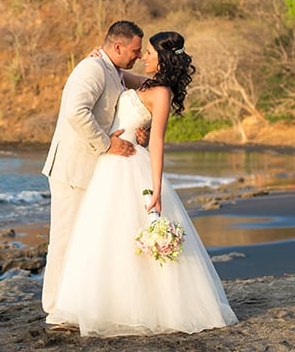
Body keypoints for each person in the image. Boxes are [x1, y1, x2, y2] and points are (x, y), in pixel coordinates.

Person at [50, 31, 238, 337]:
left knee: (123, 236)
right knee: (104, 238)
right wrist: (100, 58)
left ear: (161, 59)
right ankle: (107, 303)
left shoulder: (162, 92)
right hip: (109, 163)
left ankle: (137, 307)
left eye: (148, 53)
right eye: (141, 51)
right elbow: (120, 76)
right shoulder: (147, 83)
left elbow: (159, 142)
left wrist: (156, 189)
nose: (144, 57)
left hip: (128, 164)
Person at [41, 20, 148, 328]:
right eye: (135, 50)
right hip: (73, 169)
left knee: (85, 240)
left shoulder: (113, 69)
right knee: (64, 239)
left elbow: (141, 85)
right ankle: (55, 310)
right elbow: (76, 111)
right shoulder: (91, 69)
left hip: (95, 172)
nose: (138, 55)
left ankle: (75, 305)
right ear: (118, 47)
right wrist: (107, 144)